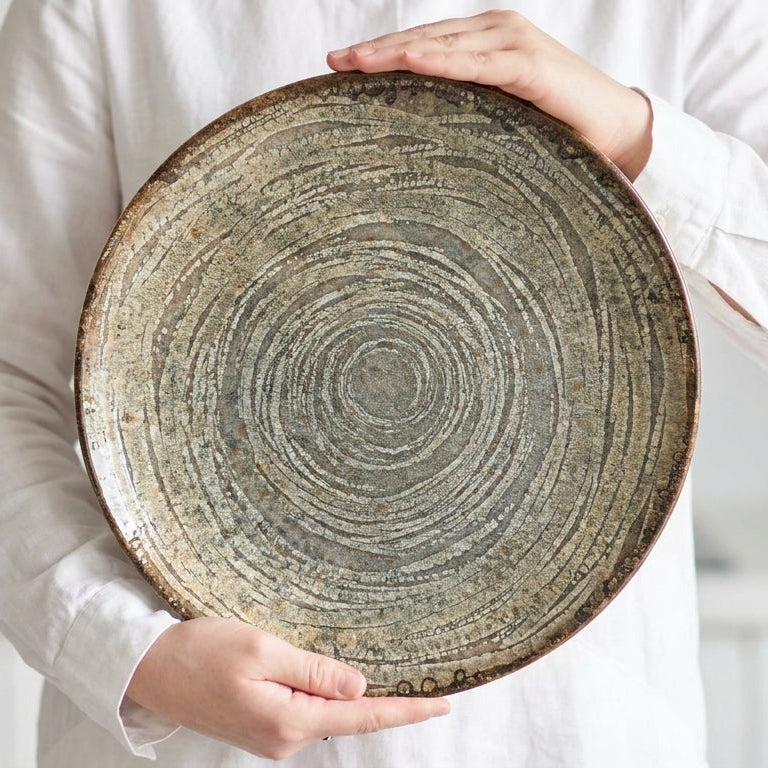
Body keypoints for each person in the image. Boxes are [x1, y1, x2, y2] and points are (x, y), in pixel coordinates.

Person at [0, 1, 766, 766]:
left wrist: (638, 136)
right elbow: (10, 380)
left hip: (579, 733)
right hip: (199, 741)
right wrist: (134, 651)